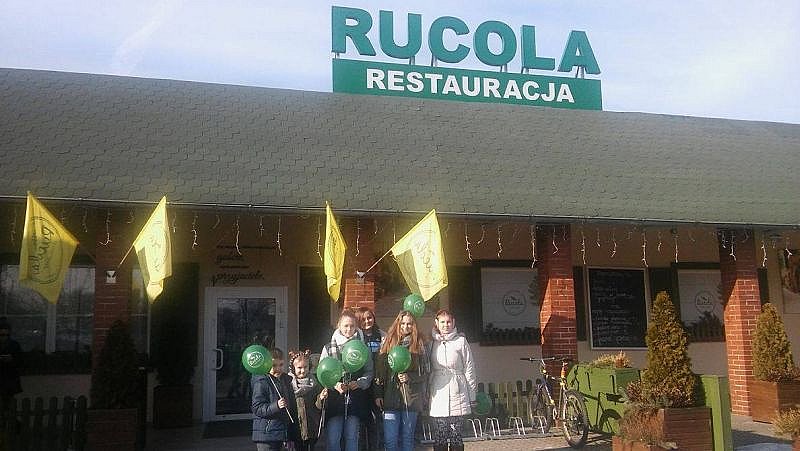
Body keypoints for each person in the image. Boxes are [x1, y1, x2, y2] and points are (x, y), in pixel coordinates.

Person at [318, 309, 374, 451]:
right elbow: (321, 373)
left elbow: (369, 371)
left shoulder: (362, 347)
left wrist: (360, 383)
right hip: (335, 400)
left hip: (354, 400)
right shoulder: (328, 348)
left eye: (352, 326)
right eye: (345, 326)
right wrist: (334, 384)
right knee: (333, 438)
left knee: (352, 438)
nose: (349, 329)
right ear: (339, 326)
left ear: (356, 327)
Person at [374, 310, 430, 451]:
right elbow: (380, 372)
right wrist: (378, 394)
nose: (406, 326)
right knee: (390, 440)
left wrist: (410, 377)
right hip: (390, 397)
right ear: (397, 324)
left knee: (407, 438)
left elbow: (426, 373)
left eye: (409, 324)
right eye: (403, 323)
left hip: (411, 398)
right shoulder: (388, 342)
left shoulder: (419, 344)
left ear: (414, 325)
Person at [428, 309, 477, 451]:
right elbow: (427, 368)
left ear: (453, 322)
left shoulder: (461, 341)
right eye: (442, 322)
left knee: (456, 434)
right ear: (436, 323)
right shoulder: (431, 343)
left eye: (448, 322)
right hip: (438, 391)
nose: (446, 325)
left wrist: (472, 395)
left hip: (458, 390)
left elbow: (469, 368)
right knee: (440, 434)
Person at [251, 347, 298, 451]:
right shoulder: (261, 381)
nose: (278, 369)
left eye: (281, 365)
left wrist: (291, 434)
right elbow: (257, 408)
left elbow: (292, 407)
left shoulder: (286, 380)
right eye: (274, 365)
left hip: (281, 433)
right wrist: (276, 405)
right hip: (266, 434)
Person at [356, 306, 385, 451]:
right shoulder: (356, 337)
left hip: (377, 384)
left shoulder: (382, 335)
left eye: (369, 317)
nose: (367, 321)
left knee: (376, 423)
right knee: (361, 424)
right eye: (363, 319)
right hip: (361, 384)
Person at [288, 350, 321, 451]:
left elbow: (319, 406)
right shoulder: (288, 384)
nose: (302, 370)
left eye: (305, 367)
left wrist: (321, 398)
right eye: (299, 368)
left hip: (311, 427)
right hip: (295, 428)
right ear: (293, 368)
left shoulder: (315, 384)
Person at [0, 318, 22, 415]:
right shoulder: (13, 344)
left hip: (10, 378)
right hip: (5, 377)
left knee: (9, 403)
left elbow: (21, 361)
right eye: (2, 335)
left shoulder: (14, 345)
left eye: (7, 335)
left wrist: (12, 359)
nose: (4, 337)